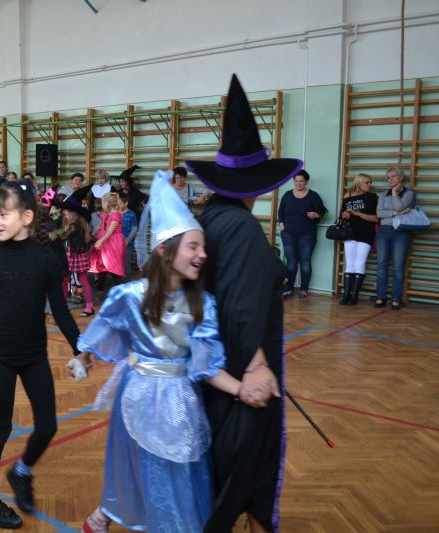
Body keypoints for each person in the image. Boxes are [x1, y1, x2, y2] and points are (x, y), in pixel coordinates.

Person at [73, 170, 243, 533]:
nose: (202, 254)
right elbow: (102, 328)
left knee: (179, 470)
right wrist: (83, 356)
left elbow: (207, 365)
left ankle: (147, 520)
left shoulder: (203, 304)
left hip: (180, 400)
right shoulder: (128, 296)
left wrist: (243, 390)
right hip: (137, 394)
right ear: (165, 251)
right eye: (193, 247)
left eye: (203, 248)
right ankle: (109, 513)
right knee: (135, 462)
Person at [186, 74, 300, 533]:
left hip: (217, 365)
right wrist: (256, 366)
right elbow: (243, 305)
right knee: (246, 458)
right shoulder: (243, 228)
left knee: (225, 457)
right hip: (242, 366)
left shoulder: (211, 216)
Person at [0, 186, 81, 529]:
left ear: (26, 217)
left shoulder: (45, 259)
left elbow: (60, 310)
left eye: (3, 214)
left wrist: (80, 347)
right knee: (0, 427)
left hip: (33, 356)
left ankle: (22, 471)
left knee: (47, 426)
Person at [277, 169, 327, 297]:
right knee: (291, 262)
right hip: (288, 234)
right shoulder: (287, 195)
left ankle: (304, 289)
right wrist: (281, 224)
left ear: (306, 182)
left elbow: (325, 213)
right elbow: (281, 212)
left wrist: (316, 214)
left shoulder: (313, 196)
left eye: (301, 181)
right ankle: (289, 288)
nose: (298, 183)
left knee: (305, 262)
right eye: (296, 181)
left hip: (307, 235)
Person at [375, 165, 416, 310]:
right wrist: (395, 213)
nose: (390, 180)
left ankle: (395, 298)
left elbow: (399, 206)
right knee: (382, 265)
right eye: (388, 178)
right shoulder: (382, 195)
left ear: (401, 177)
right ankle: (381, 297)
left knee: (398, 267)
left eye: (393, 176)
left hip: (401, 232)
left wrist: (393, 193)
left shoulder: (409, 193)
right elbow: (379, 213)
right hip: (384, 231)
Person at [339, 173, 378, 305]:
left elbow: (376, 218)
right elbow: (341, 216)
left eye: (370, 182)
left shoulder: (372, 197)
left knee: (360, 264)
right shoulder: (348, 196)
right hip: (350, 233)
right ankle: (346, 295)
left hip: (366, 234)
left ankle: (354, 296)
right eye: (367, 182)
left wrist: (357, 213)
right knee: (349, 263)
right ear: (359, 183)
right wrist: (345, 215)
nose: (369, 185)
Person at [58, 197, 94, 317]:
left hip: (77, 255)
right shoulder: (80, 222)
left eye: (66, 214)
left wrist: (54, 226)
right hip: (75, 253)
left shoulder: (75, 225)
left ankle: (88, 307)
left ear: (72, 213)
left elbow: (62, 237)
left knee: (77, 279)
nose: (65, 216)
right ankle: (87, 306)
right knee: (67, 279)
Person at [89, 193, 126, 292]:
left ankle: (119, 288)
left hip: (113, 242)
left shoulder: (116, 215)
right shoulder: (105, 214)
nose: (101, 205)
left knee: (114, 264)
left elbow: (110, 231)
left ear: (107, 203)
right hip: (104, 241)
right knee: (102, 263)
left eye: (102, 202)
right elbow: (99, 226)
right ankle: (100, 287)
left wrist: (100, 241)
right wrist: (92, 235)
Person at [117, 191, 138, 279]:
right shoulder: (115, 213)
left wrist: (127, 240)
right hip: (116, 243)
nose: (118, 205)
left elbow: (134, 229)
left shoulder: (131, 214)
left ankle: (129, 282)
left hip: (127, 244)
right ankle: (118, 282)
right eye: (117, 202)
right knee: (117, 264)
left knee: (126, 264)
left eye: (120, 203)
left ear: (126, 203)